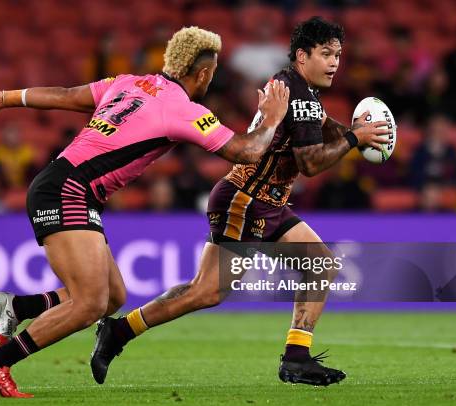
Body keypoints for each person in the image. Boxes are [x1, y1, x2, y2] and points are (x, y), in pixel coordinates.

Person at [0, 26, 290, 398]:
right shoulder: (183, 109)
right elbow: (246, 152)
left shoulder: (128, 82)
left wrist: (5, 97)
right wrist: (272, 117)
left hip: (67, 186)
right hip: (68, 191)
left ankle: (18, 307)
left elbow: (67, 95)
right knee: (90, 304)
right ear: (202, 73)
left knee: (112, 296)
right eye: (211, 74)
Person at [90, 17, 391, 387]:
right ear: (302, 55)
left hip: (259, 199)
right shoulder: (294, 90)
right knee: (211, 290)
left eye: (338, 56)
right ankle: (120, 333)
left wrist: (349, 132)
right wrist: (354, 140)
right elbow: (310, 164)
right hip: (247, 201)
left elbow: (317, 120)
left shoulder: (295, 87)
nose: (334, 63)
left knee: (306, 268)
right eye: (326, 54)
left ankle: (120, 332)